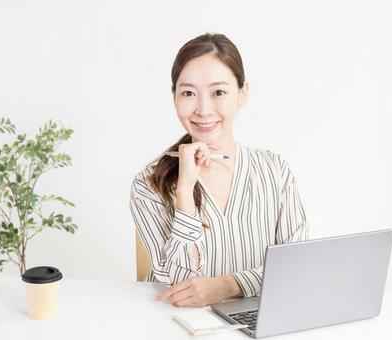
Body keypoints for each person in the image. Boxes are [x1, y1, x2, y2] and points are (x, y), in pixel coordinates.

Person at [129, 33, 309, 308]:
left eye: (219, 92)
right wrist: (185, 190)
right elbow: (178, 285)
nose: (203, 109)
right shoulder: (149, 183)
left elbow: (297, 267)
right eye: (188, 93)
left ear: (242, 93)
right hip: (178, 325)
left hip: (260, 324)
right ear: (174, 97)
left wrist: (228, 286)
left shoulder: (275, 171)